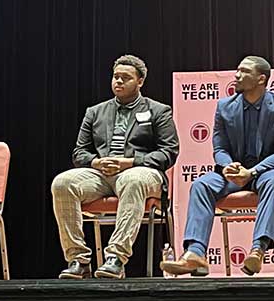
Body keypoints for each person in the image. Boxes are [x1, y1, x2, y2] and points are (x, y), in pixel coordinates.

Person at [161, 56, 274, 277]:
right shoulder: (224, 107)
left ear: (261, 78)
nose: (237, 75)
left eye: (244, 71)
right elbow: (220, 148)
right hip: (233, 173)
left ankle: (258, 250)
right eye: (237, 70)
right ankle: (194, 255)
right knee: (201, 185)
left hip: (268, 171)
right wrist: (227, 166)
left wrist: (252, 172)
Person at [52, 55, 180, 279]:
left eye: (126, 78)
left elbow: (168, 152)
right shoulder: (95, 112)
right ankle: (78, 260)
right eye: (116, 77)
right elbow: (79, 153)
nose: (118, 82)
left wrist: (130, 162)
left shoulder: (159, 111)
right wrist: (96, 162)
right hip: (102, 174)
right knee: (63, 183)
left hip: (141, 172)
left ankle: (115, 258)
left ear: (140, 82)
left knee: (132, 179)